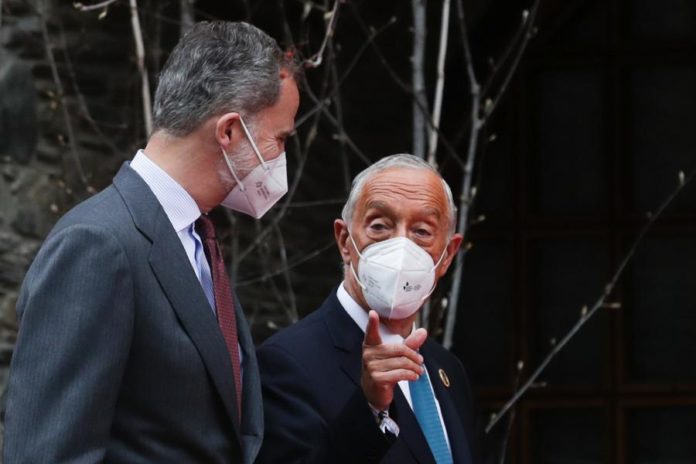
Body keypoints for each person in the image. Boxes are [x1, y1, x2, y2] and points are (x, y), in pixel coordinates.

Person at [3, 21, 299, 463]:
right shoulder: (97, 244)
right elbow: (47, 452)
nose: (280, 158)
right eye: (280, 139)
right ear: (229, 131)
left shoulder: (196, 239)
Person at [256, 154, 480, 463]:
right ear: (345, 241)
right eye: (379, 226)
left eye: (422, 232)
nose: (401, 247)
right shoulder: (287, 362)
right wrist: (371, 409)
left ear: (448, 254)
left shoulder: (447, 369)